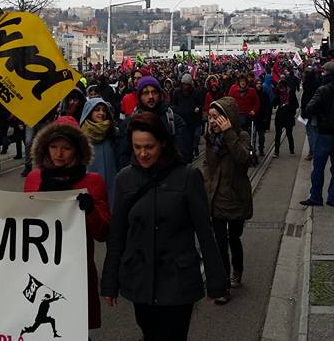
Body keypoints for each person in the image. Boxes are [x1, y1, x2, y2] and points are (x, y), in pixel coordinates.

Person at [101, 112, 227, 341]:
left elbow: (205, 232)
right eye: (137, 147)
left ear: (163, 143)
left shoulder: (188, 177)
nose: (142, 153)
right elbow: (117, 234)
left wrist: (216, 281)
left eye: (149, 146)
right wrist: (109, 282)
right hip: (140, 278)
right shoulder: (124, 179)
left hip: (177, 280)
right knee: (149, 332)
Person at [24, 116, 110, 334]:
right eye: (53, 147)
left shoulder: (93, 182)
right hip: (40, 267)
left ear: (77, 151)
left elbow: (103, 232)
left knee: (72, 328)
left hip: (76, 269)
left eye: (66, 148)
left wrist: (90, 210)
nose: (58, 154)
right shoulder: (34, 178)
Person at [203, 97, 253, 304]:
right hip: (215, 198)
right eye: (210, 117)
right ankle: (223, 286)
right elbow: (207, 163)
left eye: (217, 117)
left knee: (234, 238)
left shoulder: (241, 136)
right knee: (219, 243)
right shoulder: (210, 138)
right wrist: (206, 183)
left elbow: (243, 160)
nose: (213, 121)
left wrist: (228, 133)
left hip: (235, 197)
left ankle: (237, 270)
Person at [300, 62, 334, 207]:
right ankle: (333, 198)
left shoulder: (322, 90)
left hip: (324, 133)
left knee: (318, 167)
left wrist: (320, 115)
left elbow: (310, 108)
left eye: (323, 71)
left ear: (326, 72)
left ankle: (316, 197)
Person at [117, 76, 189, 164]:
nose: (151, 97)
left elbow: (183, 155)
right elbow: (123, 157)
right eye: (146, 93)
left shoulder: (174, 121)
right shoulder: (129, 123)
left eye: (154, 92)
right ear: (140, 97)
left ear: (159, 94)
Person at [80, 98, 120, 208]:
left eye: (104, 110)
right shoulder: (80, 137)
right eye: (97, 110)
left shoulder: (114, 134)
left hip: (112, 186)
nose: (101, 113)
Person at [170, 73, 203, 163]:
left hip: (192, 120)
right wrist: (179, 110)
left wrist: (198, 108)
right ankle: (185, 156)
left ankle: (191, 153)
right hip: (181, 120)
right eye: (184, 84)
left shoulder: (196, 93)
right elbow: (173, 105)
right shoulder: (177, 92)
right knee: (183, 139)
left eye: (187, 85)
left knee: (192, 138)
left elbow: (200, 104)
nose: (185, 87)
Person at [273, 78, 299, 157]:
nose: (281, 90)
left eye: (282, 88)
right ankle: (276, 151)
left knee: (289, 133)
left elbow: (296, 105)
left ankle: (291, 149)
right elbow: (274, 103)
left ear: (285, 87)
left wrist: (287, 106)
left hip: (288, 116)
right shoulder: (278, 93)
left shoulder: (291, 93)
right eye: (280, 88)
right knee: (278, 134)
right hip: (280, 116)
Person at [299, 68, 321, 161]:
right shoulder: (315, 83)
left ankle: (313, 152)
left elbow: (307, 101)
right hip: (313, 112)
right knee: (314, 132)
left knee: (311, 133)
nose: (302, 76)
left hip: (310, 113)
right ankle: (315, 151)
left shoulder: (309, 86)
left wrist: (304, 112)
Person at [252, 78, 273, 157]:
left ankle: (261, 149)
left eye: (260, 83)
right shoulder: (253, 94)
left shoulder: (265, 94)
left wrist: (266, 117)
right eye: (257, 83)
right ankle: (253, 150)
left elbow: (268, 107)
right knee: (253, 136)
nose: (259, 85)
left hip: (262, 118)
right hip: (254, 118)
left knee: (261, 136)